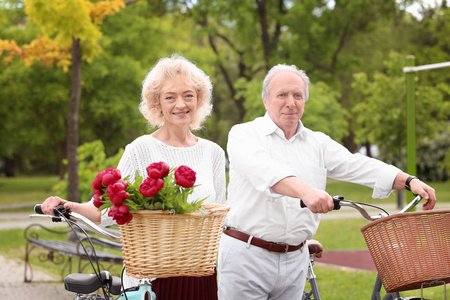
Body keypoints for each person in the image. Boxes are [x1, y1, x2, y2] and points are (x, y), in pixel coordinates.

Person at [217, 63, 437, 300]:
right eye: (282, 95)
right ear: (265, 100)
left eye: (297, 95)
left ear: (305, 101)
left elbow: (356, 164)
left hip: (295, 259)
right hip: (248, 256)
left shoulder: (317, 143)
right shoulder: (243, 134)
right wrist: (307, 192)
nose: (291, 102)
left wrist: (409, 180)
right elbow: (266, 172)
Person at [40, 54, 226, 300]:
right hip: (152, 278)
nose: (180, 104)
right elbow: (107, 210)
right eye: (170, 97)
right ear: (157, 103)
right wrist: (69, 206)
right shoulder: (141, 149)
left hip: (199, 275)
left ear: (199, 98)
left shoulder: (213, 152)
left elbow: (219, 217)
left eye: (188, 95)